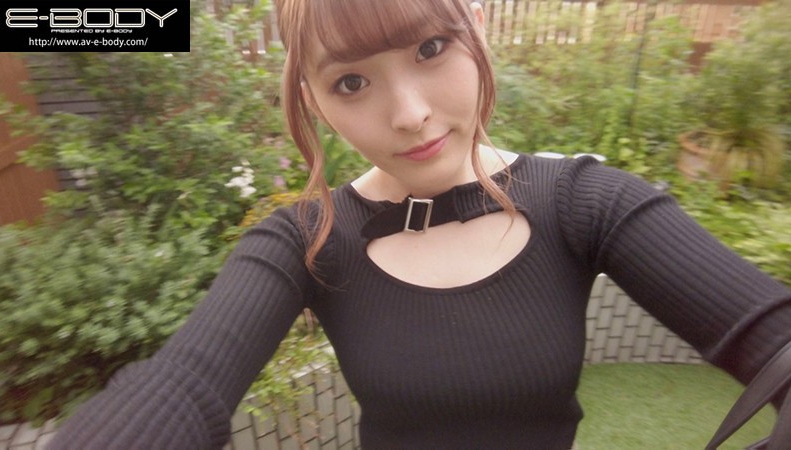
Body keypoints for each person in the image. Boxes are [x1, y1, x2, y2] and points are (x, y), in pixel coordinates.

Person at [49, 0, 791, 448]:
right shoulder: (305, 239)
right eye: (351, 81)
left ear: (475, 30)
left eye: (431, 49)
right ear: (313, 102)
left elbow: (770, 334)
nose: (409, 114)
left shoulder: (585, 201)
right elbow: (185, 385)